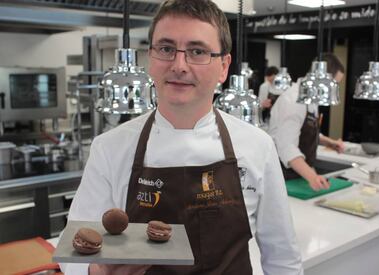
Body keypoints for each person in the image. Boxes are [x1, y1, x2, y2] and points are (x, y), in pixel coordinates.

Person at [61, 0, 303, 274]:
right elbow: (71, 251)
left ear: (224, 66)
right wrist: (97, 272)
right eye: (166, 49)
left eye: (197, 51)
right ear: (151, 58)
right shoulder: (110, 148)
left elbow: (283, 257)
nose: (179, 65)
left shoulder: (258, 146)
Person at [268, 53, 345, 191]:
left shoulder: (310, 97)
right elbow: (287, 147)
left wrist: (329, 143)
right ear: (322, 79)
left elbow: (305, 131)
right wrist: (312, 176)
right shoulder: (293, 100)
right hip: (283, 176)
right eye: (335, 84)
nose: (334, 90)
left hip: (298, 173)